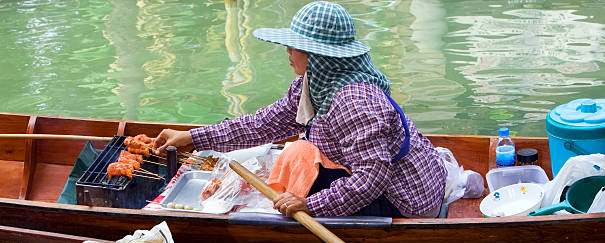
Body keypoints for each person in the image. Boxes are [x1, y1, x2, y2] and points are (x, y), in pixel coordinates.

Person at [154, 1, 447, 218]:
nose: (288, 52)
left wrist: (309, 205)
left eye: (295, 47)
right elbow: (261, 125)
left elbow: (372, 179)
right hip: (384, 177)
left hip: (406, 198)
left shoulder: (355, 102)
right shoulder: (315, 85)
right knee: (297, 154)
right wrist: (193, 137)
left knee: (301, 177)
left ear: (319, 55)